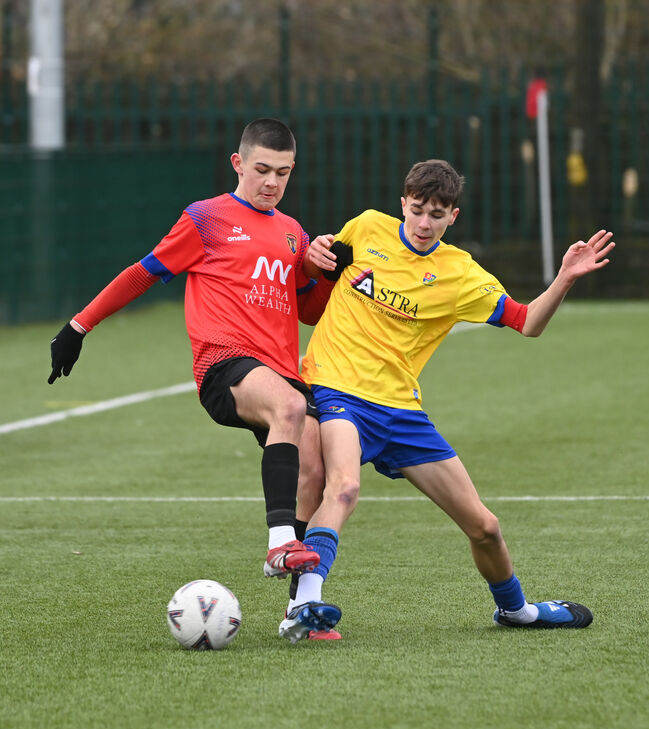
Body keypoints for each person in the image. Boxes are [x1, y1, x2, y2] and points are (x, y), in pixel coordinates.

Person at [279, 158, 614, 643]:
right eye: (417, 210)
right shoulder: (366, 228)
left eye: (436, 215)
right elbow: (317, 275)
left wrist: (563, 278)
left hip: (401, 411)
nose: (423, 223)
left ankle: (517, 611)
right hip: (337, 391)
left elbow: (527, 323)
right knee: (344, 487)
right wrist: (313, 255)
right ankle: (305, 604)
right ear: (403, 204)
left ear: (452, 216)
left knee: (485, 527)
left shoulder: (459, 273)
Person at [48, 117, 342, 641]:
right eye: (262, 169)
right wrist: (79, 326)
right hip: (224, 365)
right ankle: (279, 543)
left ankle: (299, 609)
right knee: (291, 409)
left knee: (316, 470)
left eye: (282, 173)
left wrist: (327, 274)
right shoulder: (206, 218)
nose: (271, 182)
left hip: (279, 372)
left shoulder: (293, 232)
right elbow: (142, 272)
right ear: (238, 163)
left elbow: (309, 311)